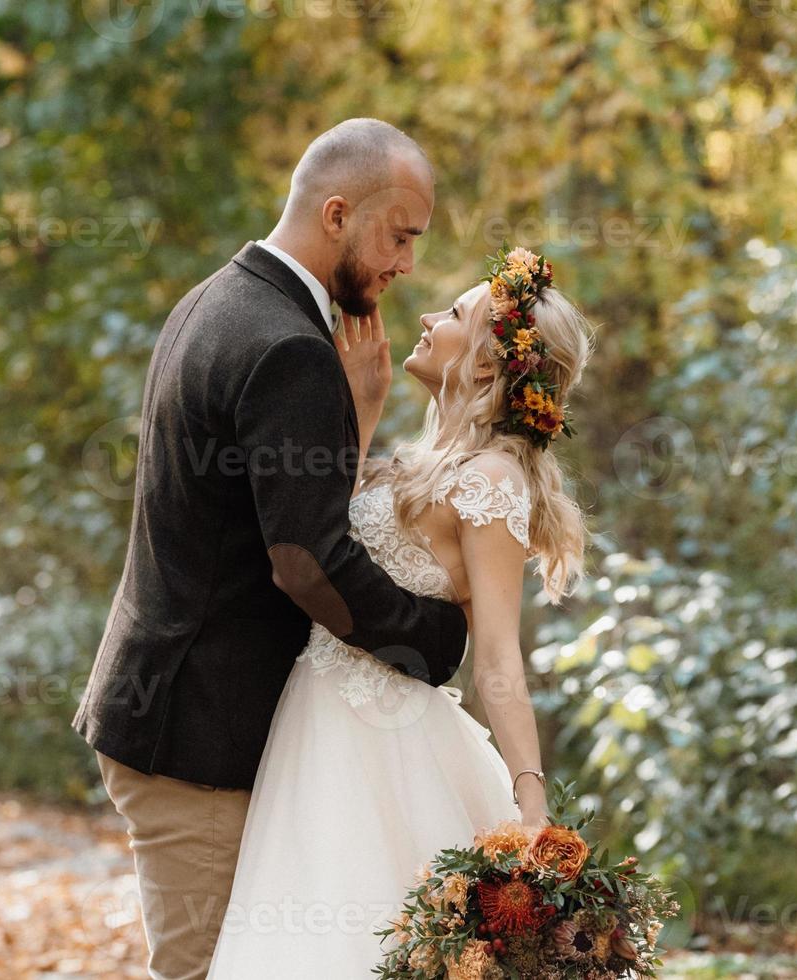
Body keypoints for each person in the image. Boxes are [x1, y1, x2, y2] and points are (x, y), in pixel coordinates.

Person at [72, 118, 469, 980]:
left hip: (182, 710)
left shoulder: (217, 300)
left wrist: (352, 430)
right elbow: (306, 561)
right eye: (400, 237)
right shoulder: (290, 347)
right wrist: (433, 639)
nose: (407, 265)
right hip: (199, 737)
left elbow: (257, 517)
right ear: (337, 214)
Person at [206, 243, 592, 977]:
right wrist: (364, 406)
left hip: (383, 743)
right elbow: (322, 540)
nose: (426, 315)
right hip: (314, 721)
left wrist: (532, 808)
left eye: (452, 313)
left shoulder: (492, 479)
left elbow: (500, 654)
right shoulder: (423, 459)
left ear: (484, 364)